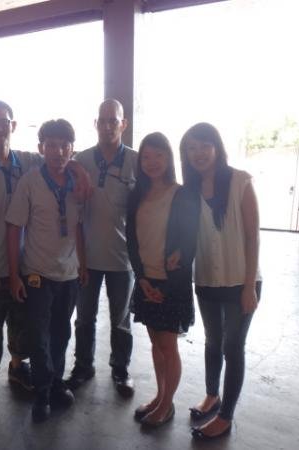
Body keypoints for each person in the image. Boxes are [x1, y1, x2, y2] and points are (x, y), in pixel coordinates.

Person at [0, 100, 90, 418]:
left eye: (3, 122)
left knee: (24, 329)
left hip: (26, 266)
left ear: (13, 125)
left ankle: (19, 368)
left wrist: (78, 170)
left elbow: (60, 157)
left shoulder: (28, 160)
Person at [179, 122, 262, 440]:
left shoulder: (240, 181)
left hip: (240, 280)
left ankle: (225, 416)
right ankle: (212, 395)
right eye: (191, 148)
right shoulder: (190, 189)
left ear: (216, 147)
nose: (199, 153)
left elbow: (253, 237)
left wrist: (249, 286)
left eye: (204, 145)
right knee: (212, 341)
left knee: (232, 346)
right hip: (206, 280)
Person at [6, 119, 87, 423]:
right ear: (41, 148)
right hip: (37, 273)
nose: (58, 151)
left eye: (64, 145)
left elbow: (79, 227)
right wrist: (14, 274)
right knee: (39, 336)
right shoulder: (30, 182)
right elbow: (14, 228)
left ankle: (55, 383)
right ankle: (41, 392)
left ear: (72, 148)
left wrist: (83, 263)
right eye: (51, 145)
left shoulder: (78, 182)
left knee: (61, 333)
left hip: (69, 273)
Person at [125, 132, 200, 428]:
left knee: (168, 346)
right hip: (146, 281)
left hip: (172, 284)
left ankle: (167, 405)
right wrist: (142, 278)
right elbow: (131, 240)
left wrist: (165, 287)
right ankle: (160, 396)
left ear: (168, 158)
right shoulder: (137, 195)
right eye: (146, 156)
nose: (152, 161)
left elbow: (188, 246)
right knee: (156, 344)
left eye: (158, 155)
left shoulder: (182, 195)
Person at [66, 98, 138, 396]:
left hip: (123, 258)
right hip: (88, 257)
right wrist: (73, 165)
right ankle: (83, 366)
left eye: (114, 120)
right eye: (103, 120)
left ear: (124, 124)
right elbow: (61, 167)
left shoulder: (136, 161)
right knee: (84, 317)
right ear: (95, 124)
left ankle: (121, 369)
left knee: (121, 320)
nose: (108, 126)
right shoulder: (82, 160)